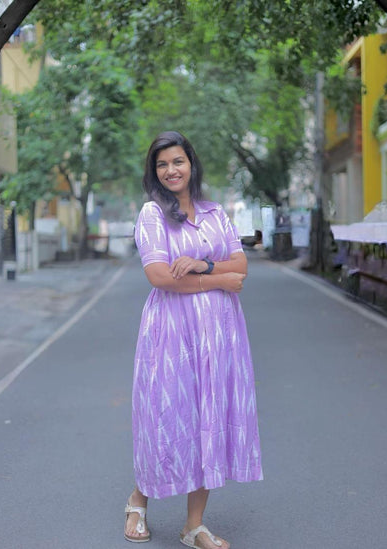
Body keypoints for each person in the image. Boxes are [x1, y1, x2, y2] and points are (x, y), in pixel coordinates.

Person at [124, 131, 263, 548]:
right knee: (166, 418)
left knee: (210, 419)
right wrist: (219, 278)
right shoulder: (152, 215)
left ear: (191, 164)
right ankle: (137, 499)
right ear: (154, 172)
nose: (171, 170)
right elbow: (161, 277)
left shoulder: (215, 213)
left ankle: (193, 525)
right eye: (162, 164)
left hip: (220, 334)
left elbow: (241, 262)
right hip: (171, 334)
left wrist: (203, 263)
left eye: (177, 162)